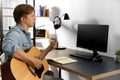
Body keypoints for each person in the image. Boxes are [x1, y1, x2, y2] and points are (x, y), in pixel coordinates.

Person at [2, 4, 57, 80]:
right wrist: (32, 60)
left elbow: (32, 54)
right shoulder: (15, 33)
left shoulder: (26, 35)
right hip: (19, 75)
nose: (35, 18)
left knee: (50, 74)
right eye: (32, 16)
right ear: (23, 19)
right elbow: (7, 46)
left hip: (29, 74)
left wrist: (47, 49)